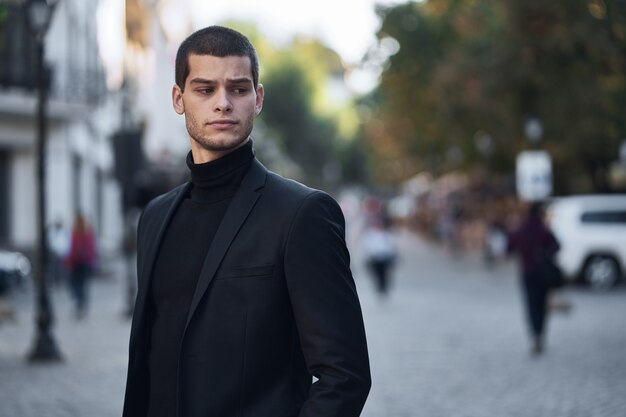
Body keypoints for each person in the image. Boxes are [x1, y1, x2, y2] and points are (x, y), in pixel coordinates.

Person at [122, 26, 371, 417]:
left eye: (237, 89)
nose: (222, 103)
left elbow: (346, 374)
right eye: (205, 89)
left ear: (257, 98)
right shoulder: (155, 217)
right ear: (178, 98)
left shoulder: (302, 214)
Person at [507, 202, 560, 356]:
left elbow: (509, 247)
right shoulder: (543, 229)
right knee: (542, 304)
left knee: (531, 304)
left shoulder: (521, 229)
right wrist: (544, 254)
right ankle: (541, 333)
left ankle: (534, 335)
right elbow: (556, 246)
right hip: (543, 273)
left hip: (527, 272)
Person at [64, 213, 97, 319]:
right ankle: (82, 303)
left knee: (76, 284)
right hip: (84, 263)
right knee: (82, 284)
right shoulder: (87, 233)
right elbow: (91, 249)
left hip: (77, 263)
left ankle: (79, 303)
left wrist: (69, 261)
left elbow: (72, 250)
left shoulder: (76, 233)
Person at [363, 216, 396, 296]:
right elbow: (367, 245)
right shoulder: (370, 234)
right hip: (375, 257)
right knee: (376, 273)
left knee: (384, 273)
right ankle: (379, 287)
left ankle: (384, 287)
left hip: (385, 257)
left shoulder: (386, 234)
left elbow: (391, 245)